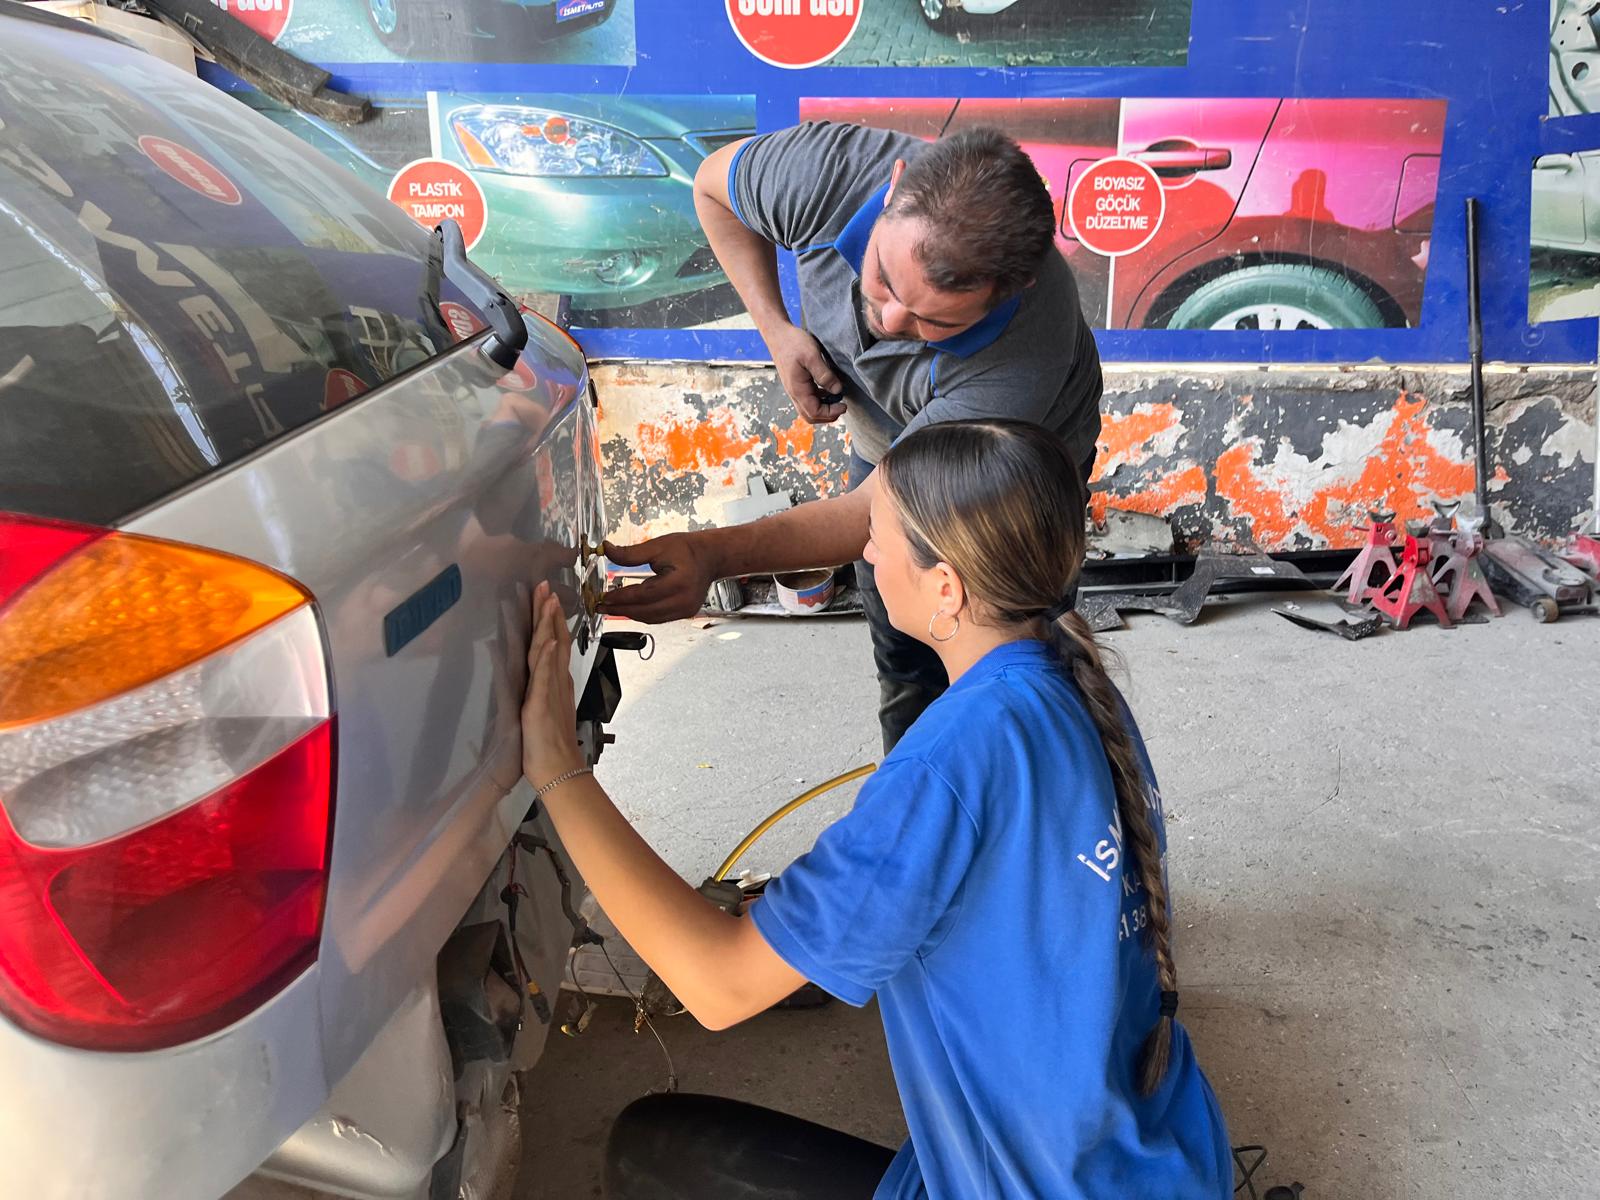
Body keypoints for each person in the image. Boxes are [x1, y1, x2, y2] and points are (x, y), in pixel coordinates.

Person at [522, 420, 1232, 1199]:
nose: (865, 553)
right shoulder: (1078, 681)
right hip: (1169, 1160)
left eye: (878, 533)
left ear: (946, 586)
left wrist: (557, 764)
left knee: (649, 1146)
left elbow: (718, 985)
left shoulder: (948, 766)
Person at [602, 121, 1104, 753]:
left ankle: (1031, 810)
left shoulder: (1022, 359)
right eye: (886, 279)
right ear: (894, 187)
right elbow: (711, 190)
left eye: (933, 319)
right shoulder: (824, 172)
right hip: (886, 441)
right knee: (906, 654)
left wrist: (713, 555)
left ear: (1012, 291)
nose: (890, 320)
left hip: (1009, 467)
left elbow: (876, 510)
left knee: (1018, 671)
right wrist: (776, 330)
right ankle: (911, 797)